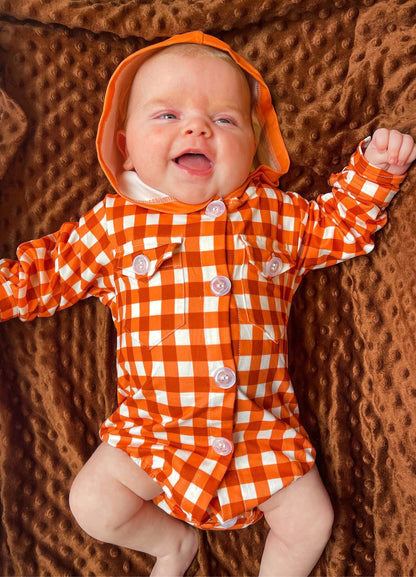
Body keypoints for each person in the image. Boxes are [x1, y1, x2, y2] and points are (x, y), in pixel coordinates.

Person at [1, 31, 415, 577]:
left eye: (224, 120)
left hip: (260, 430)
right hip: (154, 432)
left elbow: (336, 226)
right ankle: (172, 545)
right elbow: (45, 274)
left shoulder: (270, 213)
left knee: (311, 520)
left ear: (256, 146)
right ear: (124, 145)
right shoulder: (114, 226)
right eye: (167, 115)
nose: (196, 127)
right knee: (92, 504)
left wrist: (376, 173)